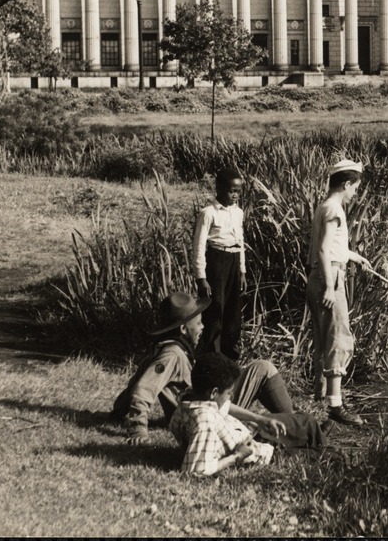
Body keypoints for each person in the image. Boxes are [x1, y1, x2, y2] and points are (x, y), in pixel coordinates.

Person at [111, 292, 324, 449]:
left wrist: (117, 411)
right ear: (184, 329)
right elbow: (142, 388)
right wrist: (138, 428)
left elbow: (139, 379)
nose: (203, 327)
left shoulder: (169, 348)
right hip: (205, 410)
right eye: (198, 323)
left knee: (260, 368)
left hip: (206, 403)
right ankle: (296, 429)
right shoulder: (173, 354)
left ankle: (296, 426)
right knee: (264, 368)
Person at [306, 158, 371, 426]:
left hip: (321, 274)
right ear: (346, 184)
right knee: (339, 338)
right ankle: (335, 406)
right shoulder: (334, 210)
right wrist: (332, 287)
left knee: (324, 338)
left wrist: (355, 257)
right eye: (354, 188)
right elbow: (323, 250)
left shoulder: (325, 206)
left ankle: (320, 396)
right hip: (329, 276)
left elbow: (331, 247)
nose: (355, 193)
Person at [170, 353, 275, 475]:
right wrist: (236, 457)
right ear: (214, 392)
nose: (231, 397)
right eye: (229, 393)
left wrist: (258, 419)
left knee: (291, 420)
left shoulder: (189, 398)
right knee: (299, 424)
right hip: (265, 452)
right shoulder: (205, 421)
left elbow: (225, 406)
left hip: (250, 433)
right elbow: (197, 470)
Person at [193, 168, 247, 361]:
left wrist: (242, 271)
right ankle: (211, 358)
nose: (235, 195)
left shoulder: (238, 212)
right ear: (219, 188)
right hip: (216, 262)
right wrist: (201, 278)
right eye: (231, 190)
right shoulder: (208, 213)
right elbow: (199, 246)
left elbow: (240, 242)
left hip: (233, 261)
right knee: (215, 310)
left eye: (238, 191)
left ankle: (229, 357)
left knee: (233, 313)